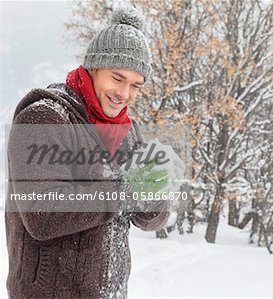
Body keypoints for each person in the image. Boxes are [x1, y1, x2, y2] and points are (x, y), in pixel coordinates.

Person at [5, 6, 177, 299]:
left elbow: (150, 219)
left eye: (136, 85)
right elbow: (42, 215)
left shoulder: (127, 131)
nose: (125, 94)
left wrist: (154, 193)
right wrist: (124, 189)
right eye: (117, 77)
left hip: (110, 292)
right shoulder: (45, 117)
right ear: (94, 67)